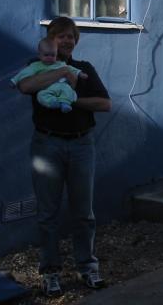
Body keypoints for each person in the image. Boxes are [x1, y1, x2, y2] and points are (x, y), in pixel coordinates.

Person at [16, 17, 111, 297]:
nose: (67, 41)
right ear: (51, 40)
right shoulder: (35, 66)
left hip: (82, 145)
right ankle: (51, 272)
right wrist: (59, 73)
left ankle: (87, 267)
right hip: (46, 145)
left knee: (84, 213)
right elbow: (25, 87)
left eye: (71, 36)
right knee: (48, 214)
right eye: (61, 36)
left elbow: (104, 103)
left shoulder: (84, 69)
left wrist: (72, 100)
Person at [11, 37, 87, 113]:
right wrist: (14, 80)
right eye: (46, 55)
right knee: (41, 95)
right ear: (39, 55)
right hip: (47, 88)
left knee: (68, 90)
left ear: (56, 55)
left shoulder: (60, 63)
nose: (49, 58)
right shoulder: (36, 65)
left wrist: (80, 73)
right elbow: (24, 72)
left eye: (52, 55)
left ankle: (65, 103)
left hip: (61, 85)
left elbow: (71, 69)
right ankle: (54, 103)